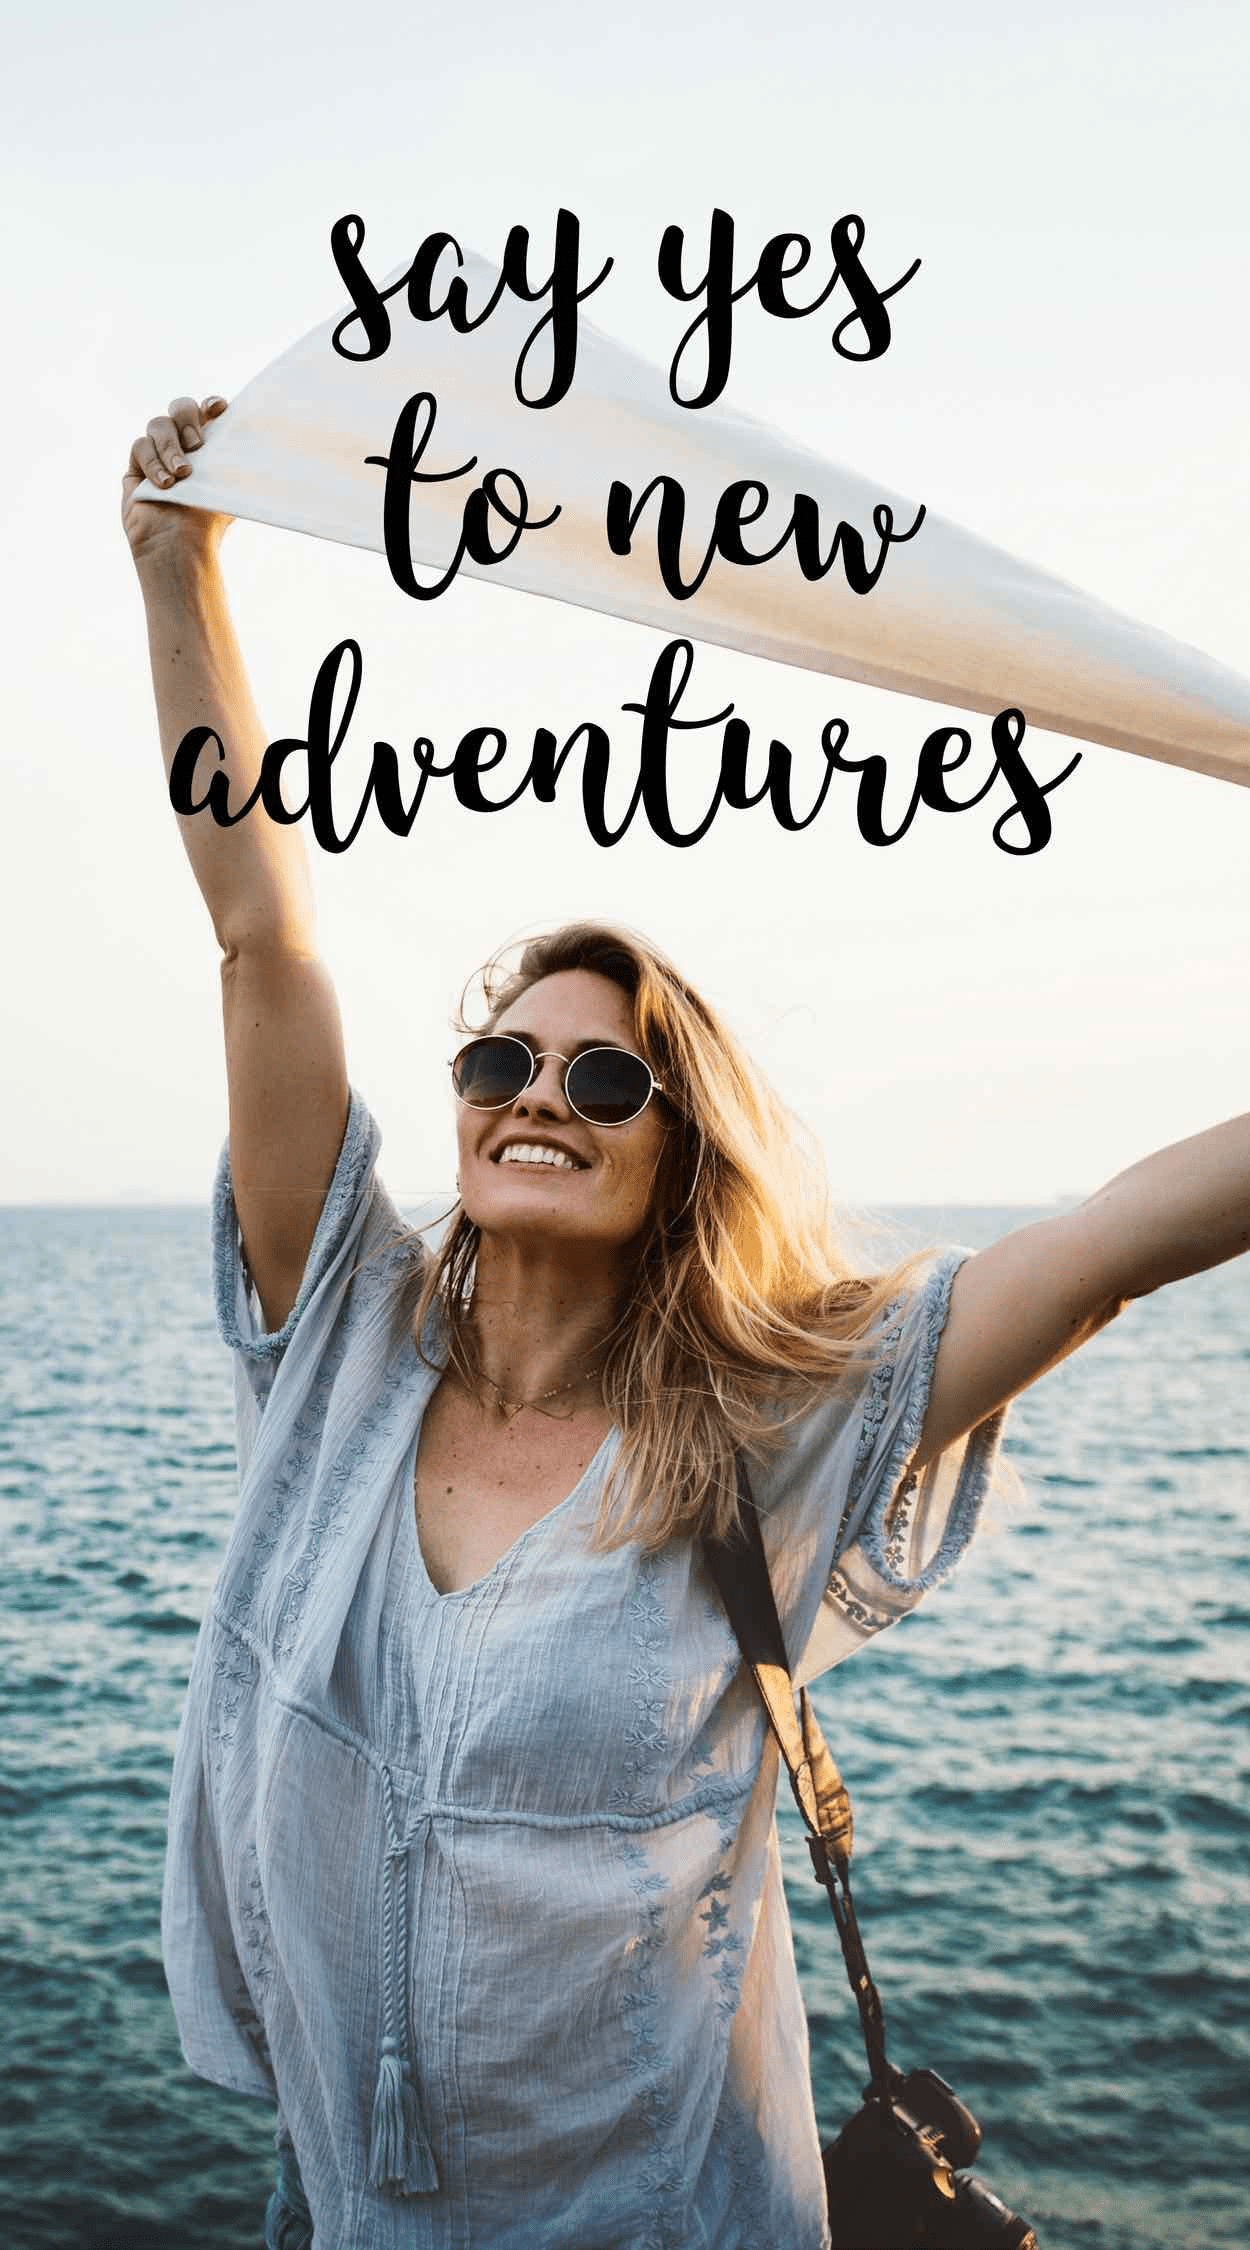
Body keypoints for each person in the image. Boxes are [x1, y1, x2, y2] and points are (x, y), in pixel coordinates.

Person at [124, 395, 1250, 2250]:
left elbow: (1117, 1236)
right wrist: (179, 561)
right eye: (501, 1057)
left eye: (601, 1072)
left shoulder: (777, 1426)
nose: (536, 1091)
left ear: (677, 1149)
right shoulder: (335, 1346)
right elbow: (266, 931)